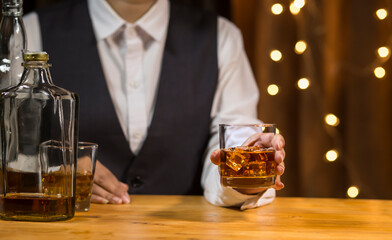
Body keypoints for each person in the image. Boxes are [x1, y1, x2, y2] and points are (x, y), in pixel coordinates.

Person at [24, 0, 286, 210]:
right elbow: (11, 150)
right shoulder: (29, 32)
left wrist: (243, 180)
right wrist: (53, 171)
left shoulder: (222, 36)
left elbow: (234, 138)